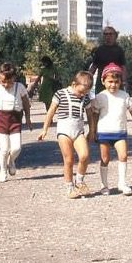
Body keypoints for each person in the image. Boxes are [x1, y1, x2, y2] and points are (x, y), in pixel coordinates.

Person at [38, 71, 95, 199]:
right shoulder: (60, 94)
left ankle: (79, 181)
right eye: (81, 92)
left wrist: (92, 131)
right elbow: (51, 111)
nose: (82, 95)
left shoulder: (85, 98)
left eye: (85, 93)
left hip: (78, 131)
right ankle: (69, 187)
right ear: (74, 84)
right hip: (64, 131)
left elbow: (90, 115)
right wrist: (44, 129)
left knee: (85, 155)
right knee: (68, 160)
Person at [90, 63, 132, 196]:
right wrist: (93, 131)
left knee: (123, 156)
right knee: (105, 158)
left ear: (121, 82)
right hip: (103, 133)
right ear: (103, 81)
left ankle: (122, 183)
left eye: (116, 82)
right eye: (110, 82)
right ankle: (104, 185)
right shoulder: (100, 97)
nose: (113, 85)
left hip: (120, 133)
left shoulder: (124, 96)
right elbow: (95, 115)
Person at [0, 63, 33, 182]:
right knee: (4, 149)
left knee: (17, 147)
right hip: (1, 119)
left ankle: (11, 161)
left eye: (9, 82)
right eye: (3, 82)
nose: (6, 85)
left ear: (14, 78)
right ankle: (2, 171)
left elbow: (26, 104)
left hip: (15, 119)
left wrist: (28, 118)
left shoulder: (20, 87)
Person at [89, 26, 126, 93]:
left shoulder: (119, 50)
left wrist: (124, 81)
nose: (108, 36)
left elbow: (123, 67)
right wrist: (87, 78)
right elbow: (94, 66)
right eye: (106, 34)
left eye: (110, 34)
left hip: (116, 82)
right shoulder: (99, 50)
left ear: (115, 36)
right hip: (102, 82)